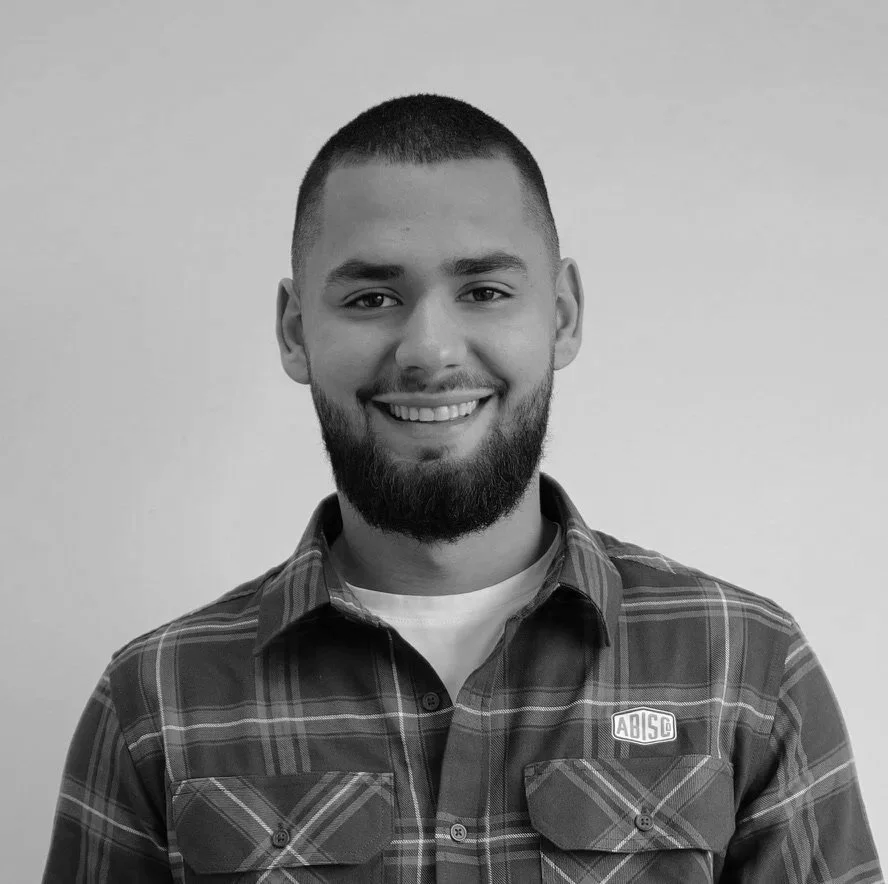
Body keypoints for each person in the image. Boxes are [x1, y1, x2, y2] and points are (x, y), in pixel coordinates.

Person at [42, 93, 882, 882]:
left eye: (483, 291)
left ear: (561, 315)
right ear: (297, 332)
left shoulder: (747, 666)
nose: (430, 350)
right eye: (373, 296)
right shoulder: (154, 701)